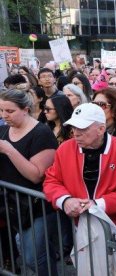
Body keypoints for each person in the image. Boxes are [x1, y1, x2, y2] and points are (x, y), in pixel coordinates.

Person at [43, 102, 116, 228]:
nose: (76, 133)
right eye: (73, 127)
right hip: (79, 224)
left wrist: (98, 204)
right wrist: (65, 200)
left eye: (82, 128)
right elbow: (52, 181)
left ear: (101, 129)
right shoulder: (65, 149)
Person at [0, 89, 58, 275]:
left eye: (9, 111)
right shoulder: (3, 130)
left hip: (36, 206)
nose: (4, 116)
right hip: (10, 204)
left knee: (32, 256)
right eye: (1, 111)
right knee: (31, 251)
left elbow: (36, 175)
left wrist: (9, 150)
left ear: (25, 109)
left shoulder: (42, 133)